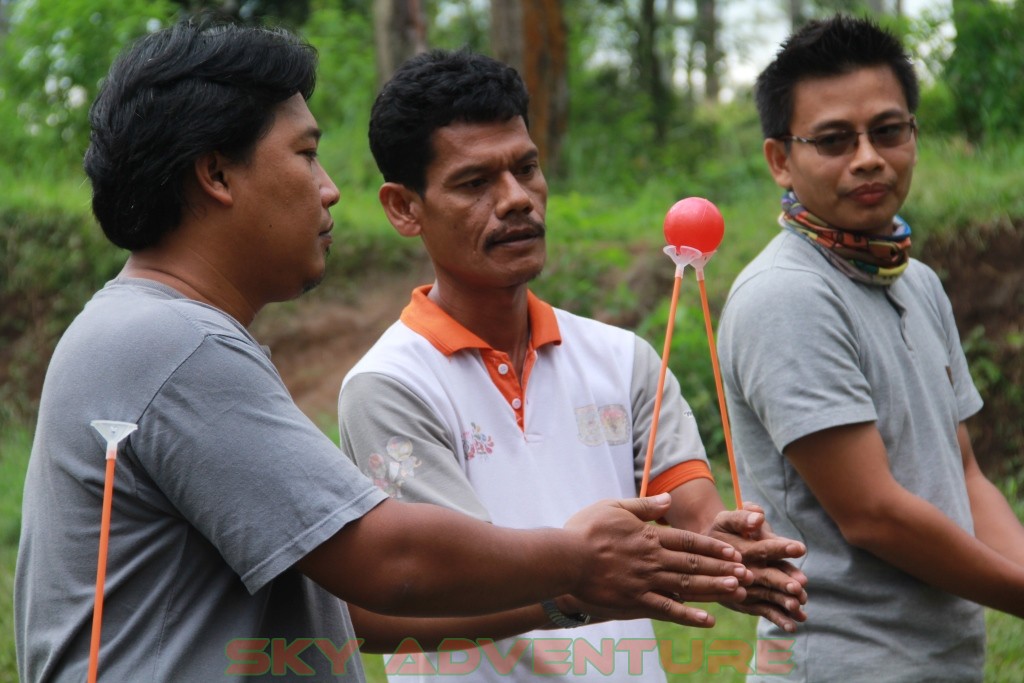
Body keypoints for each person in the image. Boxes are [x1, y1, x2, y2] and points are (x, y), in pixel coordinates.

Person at [14, 18, 761, 683]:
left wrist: (572, 592)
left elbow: (355, 611)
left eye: (525, 168)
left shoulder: (156, 331)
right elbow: (387, 561)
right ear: (216, 174)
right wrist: (578, 557)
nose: (329, 188)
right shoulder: (174, 343)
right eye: (305, 154)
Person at [337, 48, 809, 682]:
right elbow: (434, 585)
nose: (516, 200)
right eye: (475, 183)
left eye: (526, 168)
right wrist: (573, 593)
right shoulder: (390, 386)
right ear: (403, 207)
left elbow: (693, 516)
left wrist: (727, 554)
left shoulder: (625, 360)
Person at [716, 14, 1024, 683]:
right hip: (841, 662)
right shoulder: (787, 295)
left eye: (888, 130)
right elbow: (873, 513)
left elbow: (965, 477)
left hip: (941, 662)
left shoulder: (917, 281)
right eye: (833, 139)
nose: (868, 157)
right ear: (780, 160)